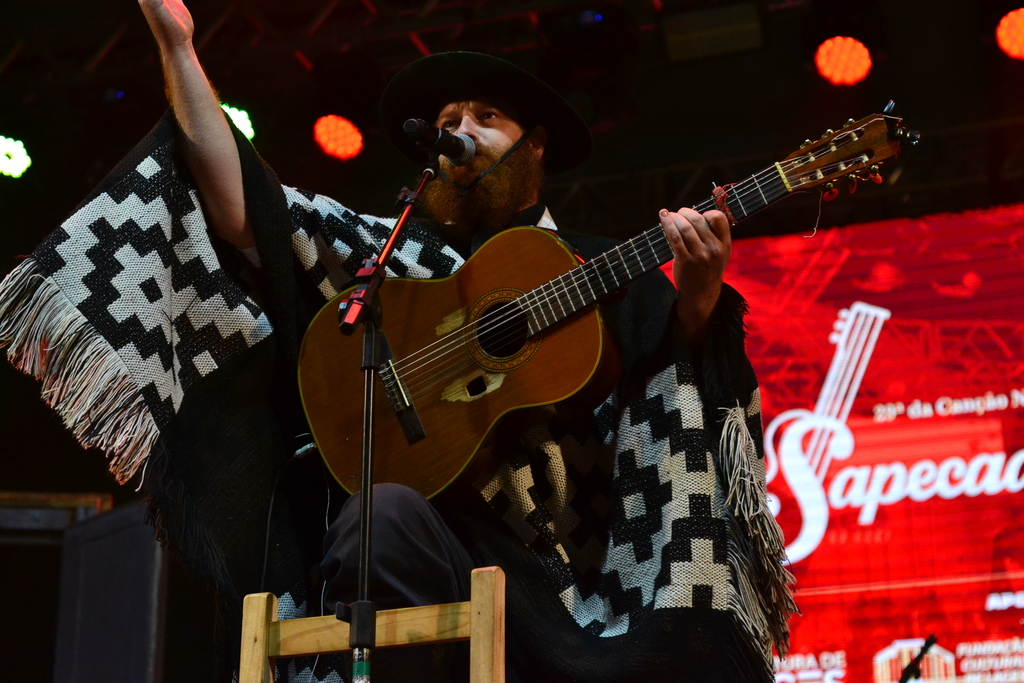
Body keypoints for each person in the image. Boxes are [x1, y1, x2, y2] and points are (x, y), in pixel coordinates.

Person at [0, 0, 795, 680]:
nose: (463, 132)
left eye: (487, 117)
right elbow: (251, 213)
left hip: (571, 580)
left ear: (538, 146)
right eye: (448, 123)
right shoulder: (393, 257)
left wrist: (697, 297)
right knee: (374, 519)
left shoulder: (592, 266)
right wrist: (179, 47)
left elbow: (675, 382)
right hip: (429, 545)